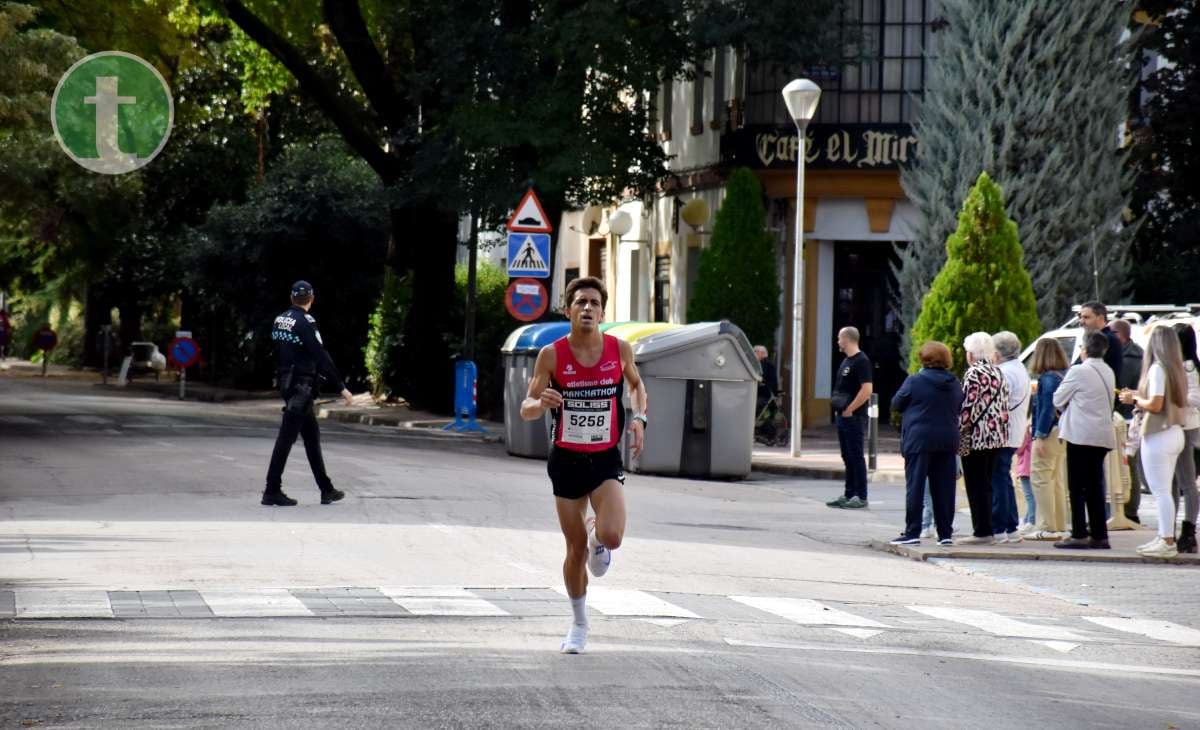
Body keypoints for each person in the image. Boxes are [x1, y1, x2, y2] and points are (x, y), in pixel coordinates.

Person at [521, 276, 648, 654]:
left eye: (594, 302)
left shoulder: (619, 349)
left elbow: (636, 386)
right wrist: (541, 403)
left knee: (611, 537)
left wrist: (639, 418)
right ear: (569, 310)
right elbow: (526, 408)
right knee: (573, 549)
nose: (588, 308)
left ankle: (598, 537)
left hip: (605, 456)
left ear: (603, 312)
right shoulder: (552, 355)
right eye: (581, 303)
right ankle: (579, 624)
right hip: (566, 460)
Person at [262, 281, 353, 507]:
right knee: (286, 439)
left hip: (287, 382)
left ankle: (326, 489)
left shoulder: (280, 320)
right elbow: (320, 355)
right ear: (311, 299)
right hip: (301, 387)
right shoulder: (305, 322)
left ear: (292, 298)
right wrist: (341, 387)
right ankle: (271, 490)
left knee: (312, 438)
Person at [1120, 326, 1189, 557]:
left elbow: (1156, 404)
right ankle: (1163, 536)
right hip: (1174, 432)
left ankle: (1167, 540)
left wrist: (1135, 398)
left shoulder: (1158, 369)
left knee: (1160, 491)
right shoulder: (1176, 370)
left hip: (1159, 433)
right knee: (1164, 490)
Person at [889, 341, 963, 546]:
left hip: (919, 439)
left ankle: (913, 532)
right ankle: (945, 534)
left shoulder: (914, 381)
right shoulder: (955, 383)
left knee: (916, 485)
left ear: (924, 359)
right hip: (947, 440)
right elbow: (959, 406)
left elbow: (896, 404)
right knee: (945, 488)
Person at [1053, 332, 1117, 549]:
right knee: (1096, 486)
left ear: (1085, 349)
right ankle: (1100, 535)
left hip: (1080, 435)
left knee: (1077, 486)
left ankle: (1079, 532)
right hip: (1102, 435)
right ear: (1104, 350)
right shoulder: (1108, 370)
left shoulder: (1079, 370)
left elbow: (1058, 398)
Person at [957, 332, 1010, 545]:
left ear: (971, 354)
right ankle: (988, 529)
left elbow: (967, 407)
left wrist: (958, 429)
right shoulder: (999, 372)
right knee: (987, 483)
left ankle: (982, 531)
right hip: (997, 436)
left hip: (977, 437)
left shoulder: (973, 374)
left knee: (975, 484)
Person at [1027, 338, 1070, 540]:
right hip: (1061, 432)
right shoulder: (1063, 375)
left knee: (1041, 478)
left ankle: (1046, 525)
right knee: (1057, 480)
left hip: (1048, 433)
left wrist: (1039, 436)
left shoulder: (1048, 378)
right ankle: (1059, 524)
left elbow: (1046, 409)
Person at [826, 327, 873, 509]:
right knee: (847, 456)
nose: (837, 341)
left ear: (847, 339)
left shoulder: (862, 361)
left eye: (839, 338)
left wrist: (851, 409)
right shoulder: (846, 361)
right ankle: (849, 493)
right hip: (842, 415)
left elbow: (867, 389)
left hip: (853, 416)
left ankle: (860, 496)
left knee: (856, 456)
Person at [990, 332, 1030, 543]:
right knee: (1004, 479)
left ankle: (999, 527)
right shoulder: (1019, 368)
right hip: (1013, 430)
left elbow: (997, 404)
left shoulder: (1003, 373)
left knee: (998, 479)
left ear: (996, 353)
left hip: (1002, 433)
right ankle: (1011, 527)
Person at [1170, 323, 1200, 553]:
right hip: (1183, 425)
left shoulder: (1188, 368)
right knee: (1177, 481)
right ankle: (1175, 529)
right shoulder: (1186, 366)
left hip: (1185, 426)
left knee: (1185, 480)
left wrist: (1173, 399)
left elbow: (1194, 398)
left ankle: (1187, 530)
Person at [1111, 319, 1145, 523]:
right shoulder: (1139, 354)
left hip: (1126, 417)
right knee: (1129, 466)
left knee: (1127, 465)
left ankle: (1129, 510)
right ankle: (1129, 509)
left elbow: (1119, 388)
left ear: (1119, 335)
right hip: (1130, 416)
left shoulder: (1128, 359)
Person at [1076, 301, 1124, 380]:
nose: (1081, 322)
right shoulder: (1101, 338)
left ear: (1100, 318)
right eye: (1080, 317)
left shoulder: (1106, 339)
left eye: (1086, 317)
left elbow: (1086, 370)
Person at [1016, 425, 1033, 531]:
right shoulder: (1032, 431)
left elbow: (1018, 450)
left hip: (1025, 469)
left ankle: (1031, 521)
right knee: (1032, 497)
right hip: (1030, 468)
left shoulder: (1026, 432)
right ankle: (1027, 519)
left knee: (1030, 497)